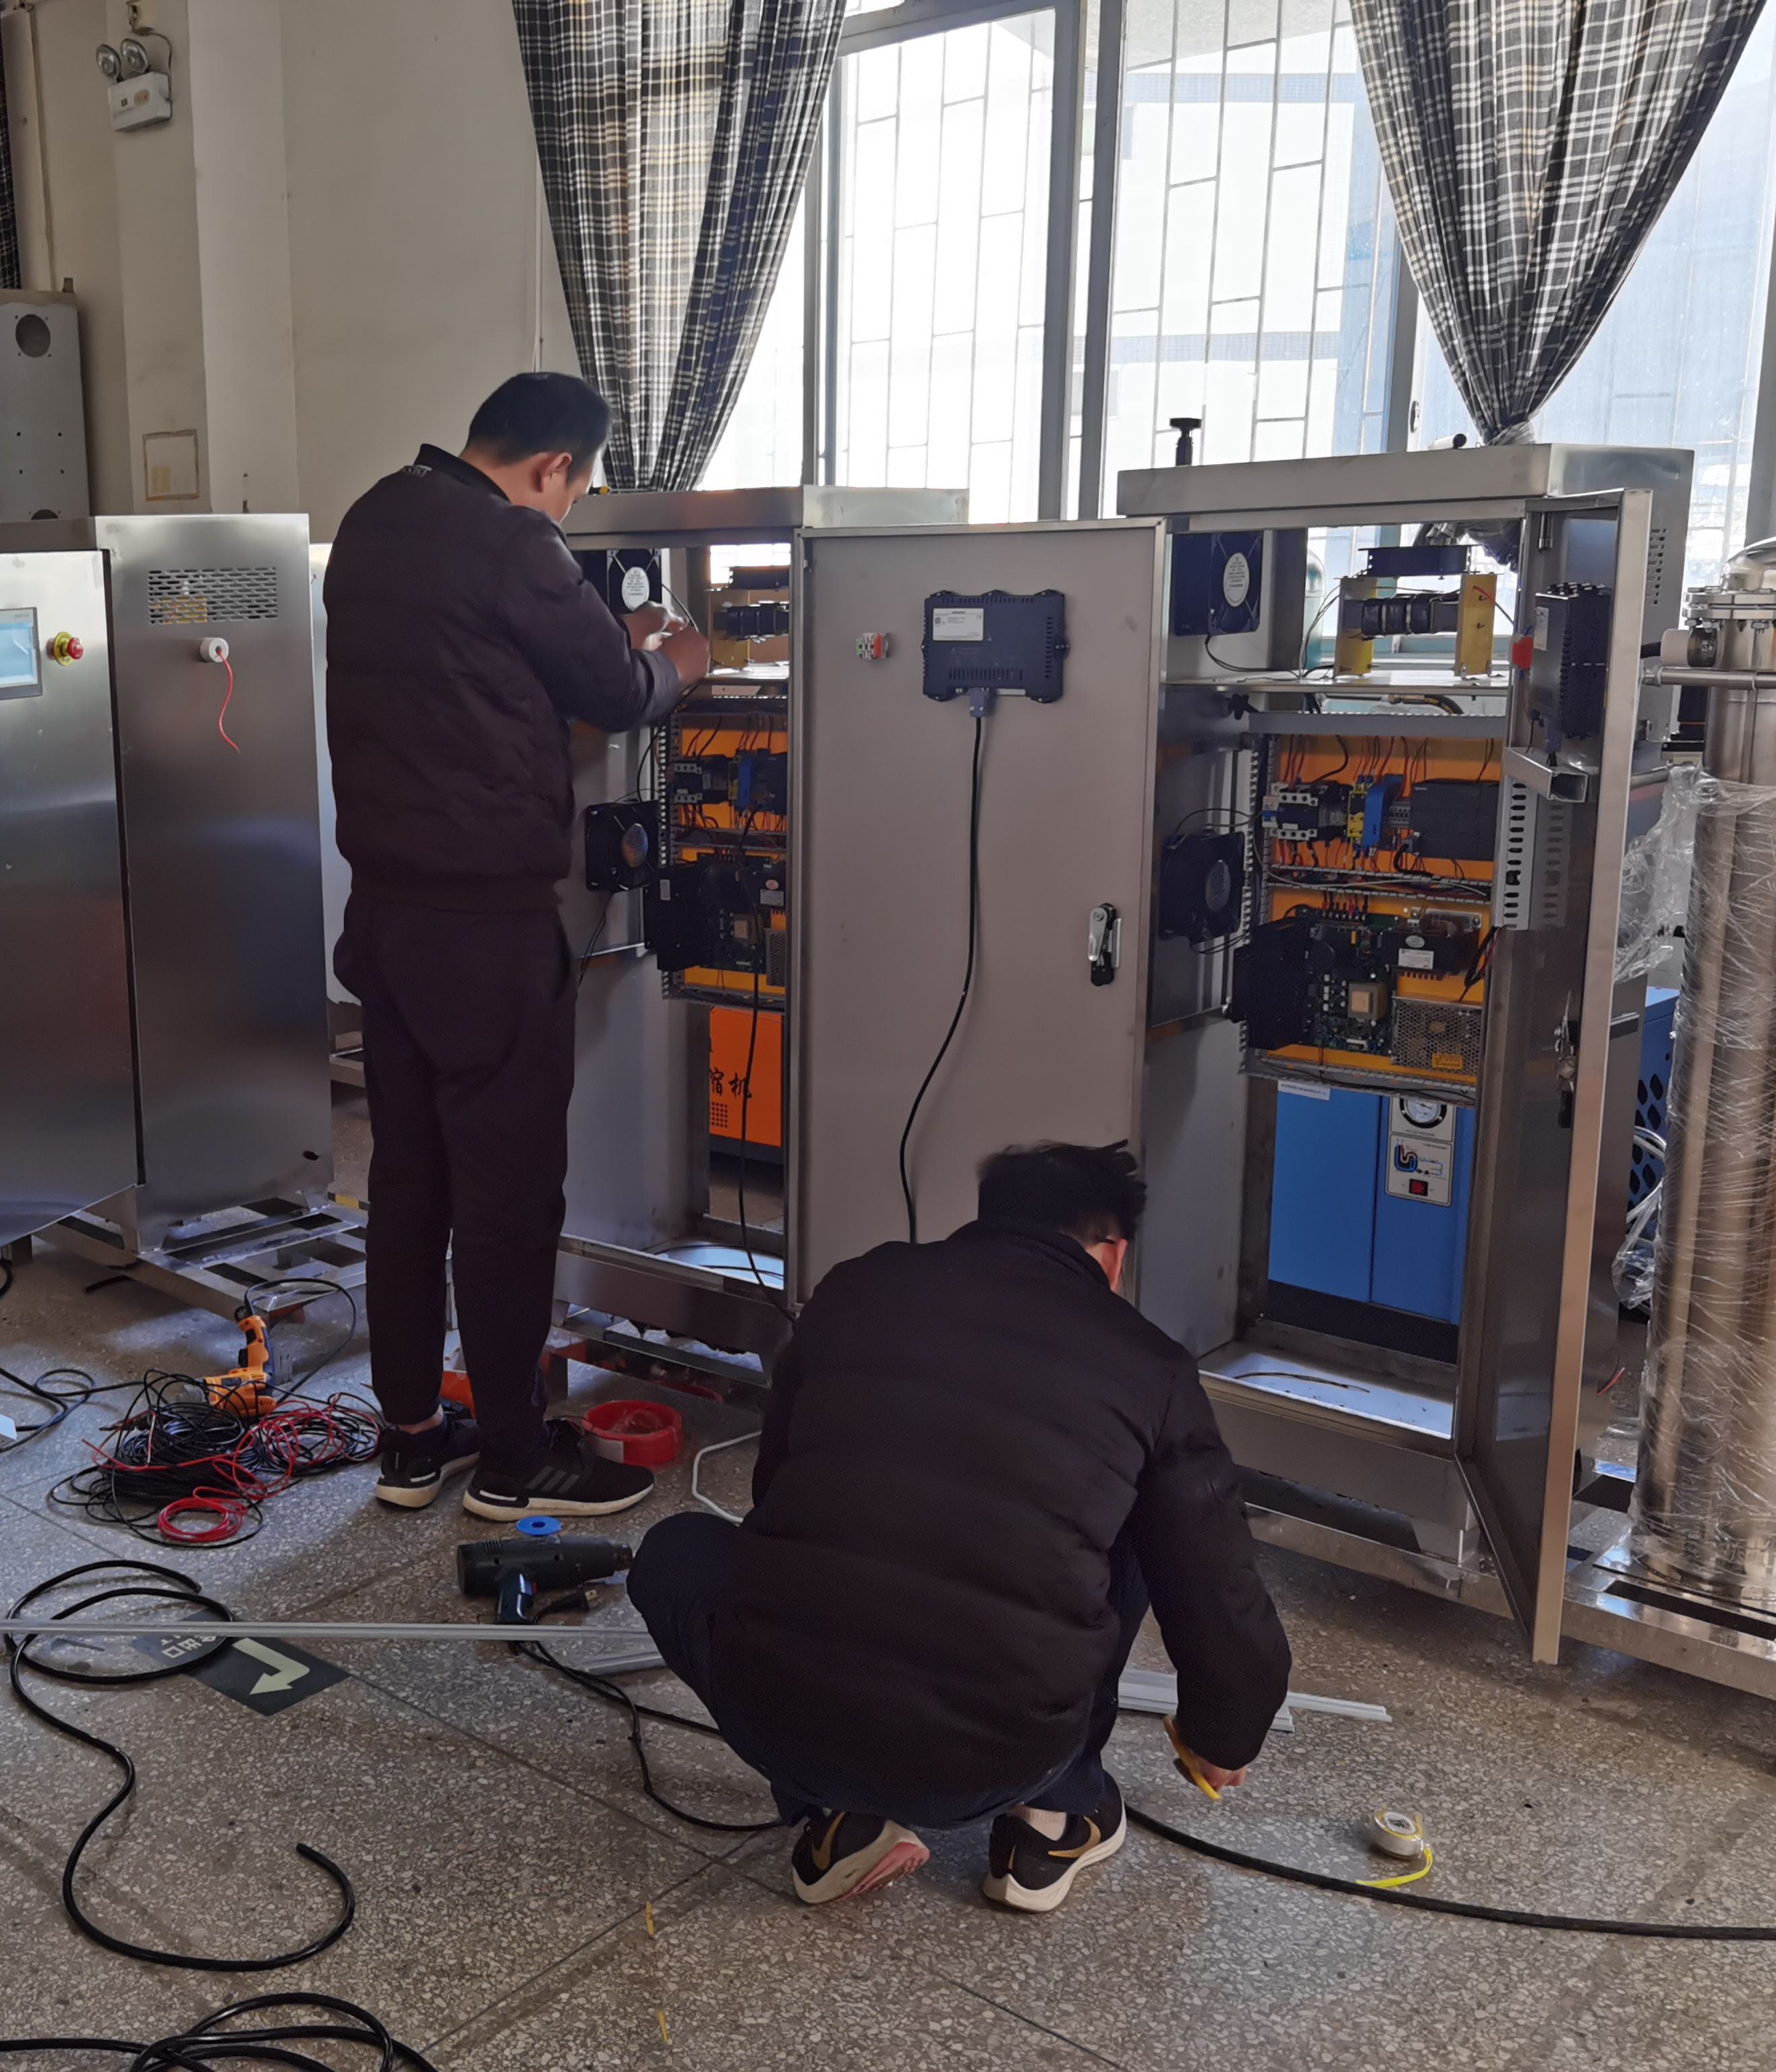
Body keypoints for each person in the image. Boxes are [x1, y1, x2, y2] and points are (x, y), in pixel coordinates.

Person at [627, 1142, 1291, 1911]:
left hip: (780, 1721)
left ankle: (839, 1815)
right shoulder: (1150, 1364)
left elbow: (776, 1494)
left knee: (674, 1550)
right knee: (1141, 1519)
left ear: (989, 1219)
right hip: (1001, 1757)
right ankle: (1054, 1819)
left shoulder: (857, 1286)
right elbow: (1214, 1578)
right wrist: (1222, 1734)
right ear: (1113, 1252)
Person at [323, 371, 711, 1520]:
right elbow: (619, 691)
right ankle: (513, 1455)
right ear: (553, 467)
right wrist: (677, 661)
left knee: (409, 1182)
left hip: (385, 919)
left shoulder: (376, 516)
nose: (569, 509)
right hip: (485, 934)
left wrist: (594, 640)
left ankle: (410, 1437)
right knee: (506, 1198)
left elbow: (468, 670)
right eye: (575, 492)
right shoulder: (513, 543)